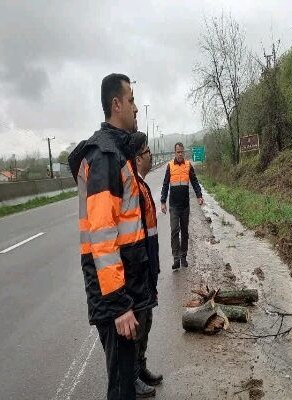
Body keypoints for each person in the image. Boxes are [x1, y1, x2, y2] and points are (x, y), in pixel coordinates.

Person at [68, 73, 153, 400]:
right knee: (121, 387)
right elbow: (103, 239)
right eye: (131, 101)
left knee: (125, 381)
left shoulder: (119, 153)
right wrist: (119, 306)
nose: (136, 108)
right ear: (116, 104)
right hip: (115, 294)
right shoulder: (105, 157)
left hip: (125, 287)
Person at [133, 142, 163, 397]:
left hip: (148, 263)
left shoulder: (142, 184)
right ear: (138, 158)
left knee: (148, 319)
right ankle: (132, 375)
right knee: (139, 321)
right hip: (140, 266)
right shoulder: (133, 186)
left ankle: (141, 368)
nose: (151, 155)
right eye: (148, 152)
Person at [160, 142, 204, 270]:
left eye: (181, 152)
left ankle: (184, 256)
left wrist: (199, 195)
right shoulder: (170, 166)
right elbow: (165, 184)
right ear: (175, 153)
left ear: (183, 152)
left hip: (185, 206)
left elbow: (195, 181)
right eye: (178, 152)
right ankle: (176, 258)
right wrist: (163, 201)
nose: (180, 154)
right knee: (174, 231)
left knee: (184, 232)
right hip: (174, 205)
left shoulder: (188, 165)